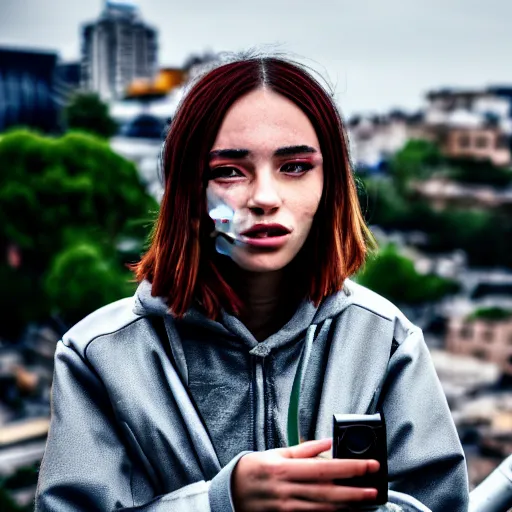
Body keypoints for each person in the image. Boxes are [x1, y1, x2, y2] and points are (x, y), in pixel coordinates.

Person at [35, 55, 469, 511]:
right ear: (189, 192)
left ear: (331, 184)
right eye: (229, 171)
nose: (264, 198)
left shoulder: (386, 342)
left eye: (296, 166)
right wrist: (223, 502)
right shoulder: (98, 355)